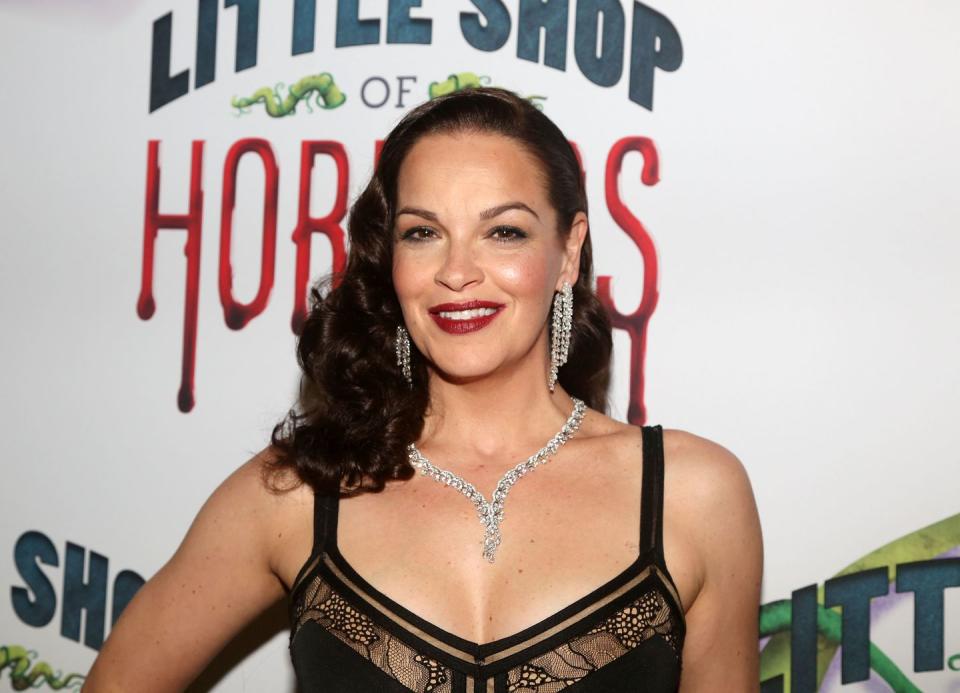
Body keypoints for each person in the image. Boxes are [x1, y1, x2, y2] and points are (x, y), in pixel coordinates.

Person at [85, 86, 763, 691]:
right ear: (392, 261)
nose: (457, 271)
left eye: (503, 231)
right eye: (422, 233)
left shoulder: (692, 495)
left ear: (569, 251)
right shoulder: (299, 494)